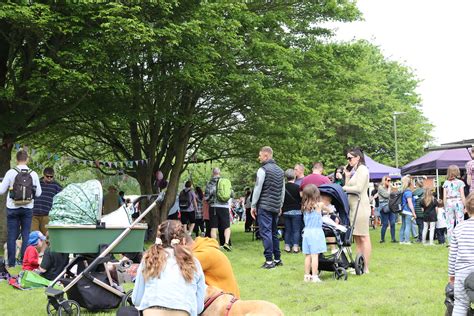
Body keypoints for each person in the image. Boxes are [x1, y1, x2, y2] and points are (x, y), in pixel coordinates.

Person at [131, 220, 206, 316]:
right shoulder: (194, 263)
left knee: (125, 312)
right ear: (183, 240)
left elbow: (136, 299)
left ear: (158, 239)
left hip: (151, 313)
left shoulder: (148, 259)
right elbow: (199, 307)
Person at [0, 150, 42, 268]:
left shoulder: (10, 172)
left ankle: (12, 263)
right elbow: (38, 193)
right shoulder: (33, 174)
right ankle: (24, 261)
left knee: (12, 236)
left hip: (12, 207)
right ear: (27, 159)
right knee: (25, 235)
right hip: (27, 208)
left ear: (17, 159)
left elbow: (1, 190)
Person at [250, 146, 285, 269]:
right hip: (275, 206)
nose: (259, 157)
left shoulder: (262, 170)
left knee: (266, 232)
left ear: (266, 155)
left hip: (264, 206)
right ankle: (277, 258)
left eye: (260, 155)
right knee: (274, 232)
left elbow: (258, 188)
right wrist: (280, 205)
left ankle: (269, 261)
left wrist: (253, 205)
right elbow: (282, 191)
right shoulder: (281, 171)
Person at [342, 148, 371, 273]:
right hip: (354, 207)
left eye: (350, 158)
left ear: (358, 157)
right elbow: (349, 187)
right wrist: (347, 177)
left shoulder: (363, 170)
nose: (348, 161)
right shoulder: (357, 171)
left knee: (364, 237)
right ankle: (357, 266)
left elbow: (358, 188)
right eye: (347, 158)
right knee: (357, 239)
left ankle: (365, 268)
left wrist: (342, 188)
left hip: (361, 207)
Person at [448, 193, 474, 315]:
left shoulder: (459, 228)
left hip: (462, 274)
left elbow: (453, 255)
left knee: (460, 305)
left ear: (466, 209)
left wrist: (452, 274)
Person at [31, 167, 62, 253]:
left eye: (51, 177)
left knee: (47, 237)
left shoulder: (57, 186)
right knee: (34, 237)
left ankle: (44, 255)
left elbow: (62, 198)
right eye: (47, 176)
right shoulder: (37, 183)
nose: (49, 178)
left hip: (47, 215)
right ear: (43, 175)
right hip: (34, 214)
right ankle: (34, 256)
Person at [301, 184, 327, 283]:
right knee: (315, 255)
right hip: (316, 232)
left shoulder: (304, 206)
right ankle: (315, 276)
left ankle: (307, 275)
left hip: (306, 232)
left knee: (307, 255)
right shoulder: (318, 205)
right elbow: (328, 209)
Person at [205, 168, 232, 251]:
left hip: (214, 207)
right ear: (219, 173)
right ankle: (226, 243)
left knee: (213, 227)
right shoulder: (225, 182)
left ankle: (215, 245)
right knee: (226, 226)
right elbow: (231, 194)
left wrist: (209, 200)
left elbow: (207, 196)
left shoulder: (210, 183)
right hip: (224, 207)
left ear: (213, 173)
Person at [443, 165, 467, 245]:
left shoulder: (446, 183)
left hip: (449, 202)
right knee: (460, 222)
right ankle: (460, 241)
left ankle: (450, 243)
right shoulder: (460, 182)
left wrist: (444, 206)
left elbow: (444, 197)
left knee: (449, 223)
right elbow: (463, 195)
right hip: (458, 202)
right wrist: (466, 206)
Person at [282, 169, 302, 253]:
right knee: (296, 230)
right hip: (297, 211)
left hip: (286, 211)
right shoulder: (298, 187)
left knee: (288, 229)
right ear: (294, 176)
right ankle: (295, 247)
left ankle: (287, 246)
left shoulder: (283, 188)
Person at [399, 176, 417, 245]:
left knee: (403, 225)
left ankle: (401, 240)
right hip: (408, 211)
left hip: (403, 211)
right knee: (408, 226)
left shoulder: (403, 191)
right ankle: (406, 241)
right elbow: (410, 203)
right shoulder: (408, 192)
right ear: (409, 183)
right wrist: (414, 213)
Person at [378, 176, 397, 243]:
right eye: (388, 180)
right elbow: (386, 195)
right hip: (384, 208)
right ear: (384, 180)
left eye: (390, 180)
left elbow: (394, 195)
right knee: (385, 224)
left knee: (393, 223)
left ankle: (393, 239)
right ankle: (382, 239)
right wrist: (389, 188)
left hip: (390, 206)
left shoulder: (389, 188)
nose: (389, 182)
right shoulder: (380, 188)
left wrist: (393, 188)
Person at [412, 178, 425, 243]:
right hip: (424, 211)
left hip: (417, 211)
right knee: (424, 226)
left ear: (417, 184)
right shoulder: (425, 191)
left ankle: (420, 239)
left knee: (420, 226)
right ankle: (423, 237)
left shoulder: (414, 192)